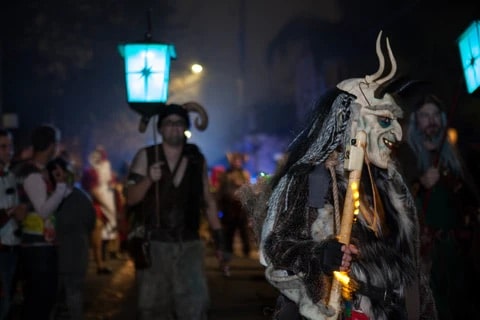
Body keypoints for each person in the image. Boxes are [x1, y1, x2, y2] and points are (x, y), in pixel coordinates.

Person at [237, 32, 438, 320]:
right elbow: (274, 247)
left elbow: (413, 269)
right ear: (351, 121)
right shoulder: (309, 178)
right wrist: (319, 255)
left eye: (395, 121)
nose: (397, 132)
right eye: (384, 120)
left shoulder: (394, 185)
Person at [126, 102, 225, 320]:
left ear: (185, 128)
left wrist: (220, 239)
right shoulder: (146, 156)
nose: (174, 127)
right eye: (169, 123)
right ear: (160, 128)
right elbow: (130, 197)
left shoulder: (196, 159)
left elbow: (207, 200)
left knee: (194, 307)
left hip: (189, 244)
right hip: (155, 245)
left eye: (179, 123)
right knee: (154, 309)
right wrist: (149, 180)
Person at [397, 93, 479, 320]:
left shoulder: (454, 154)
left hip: (460, 250)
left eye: (435, 115)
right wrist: (419, 184)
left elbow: (471, 197)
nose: (431, 120)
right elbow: (398, 203)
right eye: (425, 115)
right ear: (416, 120)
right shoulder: (406, 157)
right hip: (428, 254)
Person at [12, 124, 68, 320]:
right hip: (37, 247)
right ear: (51, 145)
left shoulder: (41, 170)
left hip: (43, 244)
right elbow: (44, 210)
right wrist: (61, 188)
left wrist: (63, 187)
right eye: (56, 144)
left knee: (43, 300)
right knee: (39, 301)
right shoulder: (32, 173)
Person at [47, 156, 96, 320]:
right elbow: (91, 224)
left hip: (60, 256)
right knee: (73, 296)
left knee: (54, 298)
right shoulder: (83, 197)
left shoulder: (52, 198)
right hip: (76, 255)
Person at [0, 129, 26, 320]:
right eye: (3, 147)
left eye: (10, 146)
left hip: (13, 250)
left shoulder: (9, 175)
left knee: (8, 302)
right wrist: (11, 212)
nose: (9, 151)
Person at [81, 146, 117, 275]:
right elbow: (93, 191)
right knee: (95, 237)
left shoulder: (98, 171)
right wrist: (106, 206)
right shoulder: (92, 172)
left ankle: (100, 264)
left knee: (98, 237)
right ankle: (99, 265)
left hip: (98, 207)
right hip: (94, 208)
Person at [216, 152, 252, 258]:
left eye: (238, 161)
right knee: (229, 230)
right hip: (229, 206)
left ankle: (247, 250)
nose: (237, 163)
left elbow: (248, 189)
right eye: (235, 161)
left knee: (243, 230)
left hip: (241, 206)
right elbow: (221, 190)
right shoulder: (226, 174)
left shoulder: (245, 174)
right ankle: (228, 250)